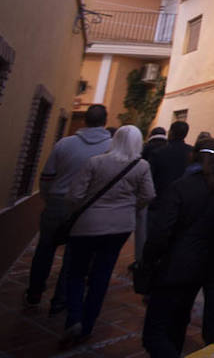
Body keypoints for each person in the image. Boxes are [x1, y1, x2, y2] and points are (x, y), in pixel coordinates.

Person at [62, 125, 154, 347]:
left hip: (87, 225)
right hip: (120, 227)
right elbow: (148, 195)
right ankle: (88, 324)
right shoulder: (141, 166)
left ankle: (73, 318)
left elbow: (75, 194)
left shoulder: (96, 162)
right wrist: (130, 207)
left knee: (75, 273)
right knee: (101, 275)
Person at [142, 137, 214, 357]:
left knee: (155, 333)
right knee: (179, 320)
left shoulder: (181, 187)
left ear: (192, 156)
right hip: (208, 263)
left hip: (177, 265)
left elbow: (162, 230)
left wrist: (149, 259)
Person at [26, 104, 112, 313]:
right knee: (74, 257)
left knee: (45, 249)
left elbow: (46, 177)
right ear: (105, 122)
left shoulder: (64, 144)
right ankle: (60, 300)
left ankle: (34, 293)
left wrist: (50, 198)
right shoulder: (111, 148)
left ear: (85, 121)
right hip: (87, 209)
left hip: (57, 202)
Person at [136, 127, 167, 261]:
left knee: (144, 230)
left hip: (149, 195)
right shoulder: (167, 147)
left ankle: (142, 259)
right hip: (167, 197)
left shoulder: (146, 148)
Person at [148, 120, 192, 208]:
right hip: (183, 200)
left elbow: (150, 178)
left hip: (160, 200)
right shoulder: (192, 152)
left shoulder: (158, 153)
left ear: (171, 133)